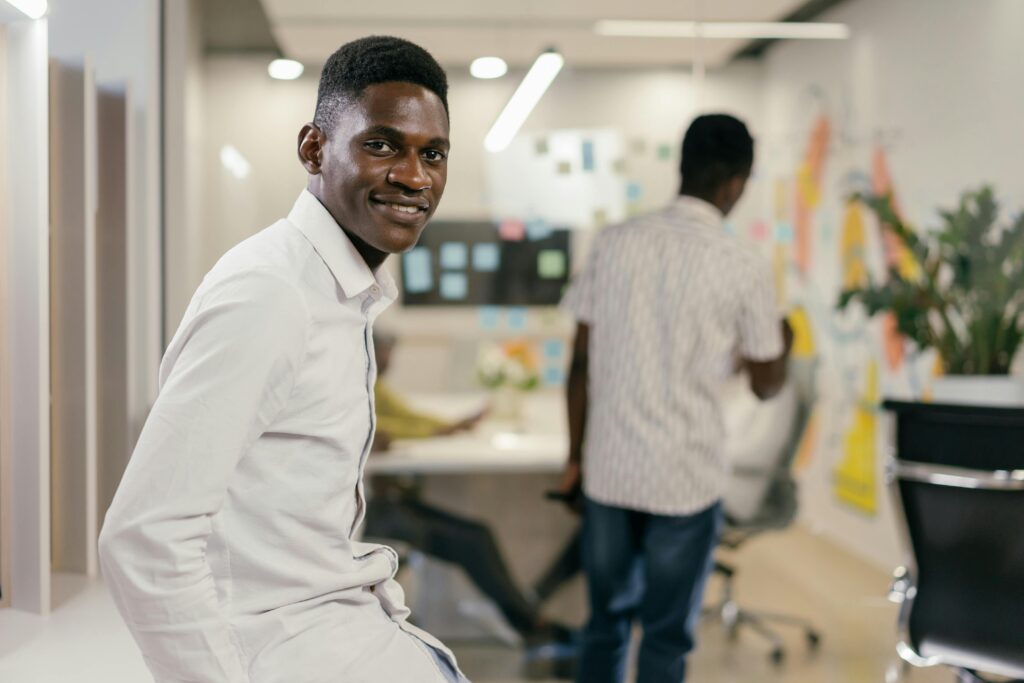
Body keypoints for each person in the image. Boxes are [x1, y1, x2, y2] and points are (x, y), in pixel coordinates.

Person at [99, 36, 469, 682]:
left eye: (431, 153)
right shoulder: (272, 294)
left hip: (346, 632)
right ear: (314, 148)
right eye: (381, 144)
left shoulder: (342, 291)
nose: (414, 176)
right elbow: (144, 538)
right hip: (285, 651)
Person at [557, 113, 794, 683]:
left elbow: (581, 364)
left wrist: (574, 457)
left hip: (610, 472)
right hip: (686, 479)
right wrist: (784, 343)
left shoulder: (613, 244)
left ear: (681, 167)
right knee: (666, 638)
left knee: (604, 625)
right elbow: (767, 386)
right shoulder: (744, 265)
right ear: (737, 182)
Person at [364, 331, 573, 652]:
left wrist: (450, 427)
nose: (391, 361)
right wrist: (442, 429)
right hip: (369, 517)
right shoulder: (356, 389)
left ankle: (529, 620)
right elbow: (386, 431)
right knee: (473, 542)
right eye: (386, 353)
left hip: (383, 504)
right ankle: (530, 621)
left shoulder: (372, 384)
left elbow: (407, 419)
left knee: (478, 535)